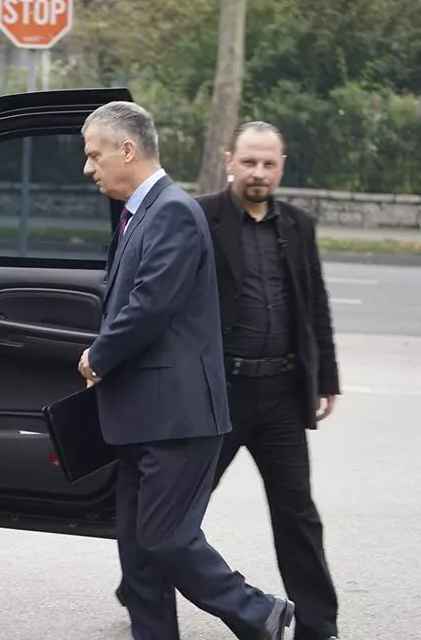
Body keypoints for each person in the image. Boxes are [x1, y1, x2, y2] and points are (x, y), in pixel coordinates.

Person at [112, 121, 342, 640]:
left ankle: (317, 623)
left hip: (281, 394)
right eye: (249, 162)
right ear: (228, 161)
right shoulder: (198, 215)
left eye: (269, 164)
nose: (259, 172)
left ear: (281, 167)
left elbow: (315, 305)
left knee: (298, 513)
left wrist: (325, 376)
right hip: (217, 393)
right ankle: (140, 591)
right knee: (169, 514)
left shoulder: (298, 225)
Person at [77, 102, 294, 640]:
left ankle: (259, 612)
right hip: (141, 417)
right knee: (138, 552)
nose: (88, 167)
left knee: (166, 538)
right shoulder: (140, 213)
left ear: (128, 150)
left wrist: (99, 355)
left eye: (94, 155)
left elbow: (151, 304)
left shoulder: (172, 210)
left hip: (177, 417)